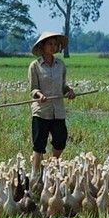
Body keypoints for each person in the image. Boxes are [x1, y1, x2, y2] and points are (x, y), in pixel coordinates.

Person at [28, 31, 76, 185]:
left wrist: (69, 91)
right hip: (41, 110)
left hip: (58, 110)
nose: (53, 46)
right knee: (39, 144)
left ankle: (52, 165)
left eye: (56, 44)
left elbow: (62, 86)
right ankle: (35, 175)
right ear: (42, 46)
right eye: (50, 44)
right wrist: (39, 95)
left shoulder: (60, 65)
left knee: (60, 140)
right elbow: (33, 89)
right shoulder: (35, 66)